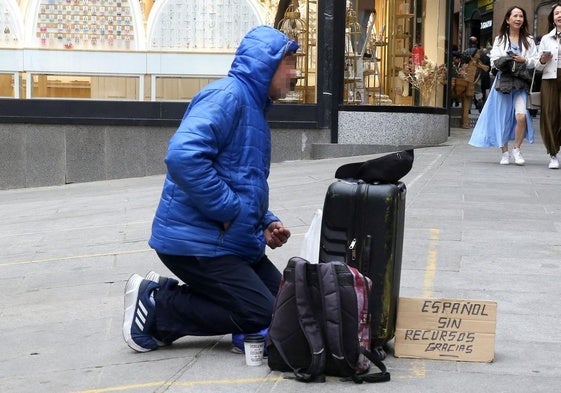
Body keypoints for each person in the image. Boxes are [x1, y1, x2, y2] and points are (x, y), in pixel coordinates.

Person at [122, 25, 297, 353]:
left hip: (231, 242)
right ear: (267, 63)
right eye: (288, 62)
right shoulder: (228, 96)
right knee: (259, 311)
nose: (295, 72)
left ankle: (200, 307)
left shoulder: (254, 108)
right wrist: (228, 211)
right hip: (197, 242)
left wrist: (264, 221)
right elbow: (182, 156)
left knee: (285, 306)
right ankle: (159, 306)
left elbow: (241, 179)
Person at [469, 6, 538, 166]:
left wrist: (524, 60)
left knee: (521, 116)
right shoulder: (500, 39)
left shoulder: (529, 40)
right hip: (503, 83)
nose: (518, 19)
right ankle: (505, 153)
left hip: (521, 83)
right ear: (508, 19)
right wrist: (505, 61)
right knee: (501, 118)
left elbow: (534, 61)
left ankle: (517, 150)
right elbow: (494, 60)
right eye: (515, 16)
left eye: (521, 16)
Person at [535, 2, 561, 169]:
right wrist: (543, 60)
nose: (560, 15)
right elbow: (538, 66)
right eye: (557, 13)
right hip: (549, 79)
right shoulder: (545, 38)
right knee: (549, 116)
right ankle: (553, 153)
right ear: (553, 18)